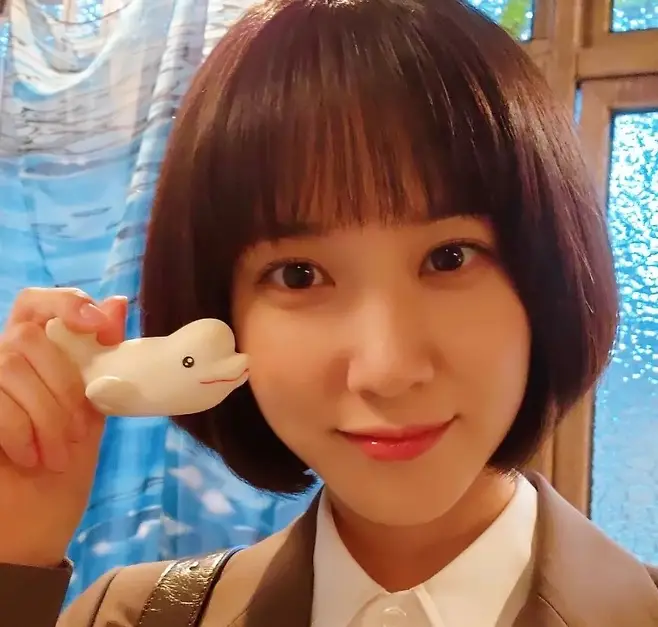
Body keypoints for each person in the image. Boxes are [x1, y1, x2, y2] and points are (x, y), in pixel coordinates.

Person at [0, 0, 657, 625]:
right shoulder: (131, 617)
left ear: (548, 277)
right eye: (300, 274)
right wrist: (14, 554)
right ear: (218, 311)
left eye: (450, 257)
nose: (387, 370)